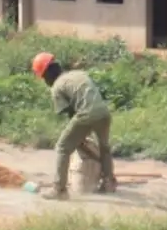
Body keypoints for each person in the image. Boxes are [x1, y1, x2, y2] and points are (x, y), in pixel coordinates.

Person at [32, 52, 117, 198]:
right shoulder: (79, 74)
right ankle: (109, 183)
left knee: (62, 147)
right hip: (104, 113)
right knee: (104, 147)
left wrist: (78, 137)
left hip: (86, 114)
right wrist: (80, 135)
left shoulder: (57, 86)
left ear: (47, 75)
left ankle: (59, 190)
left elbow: (70, 113)